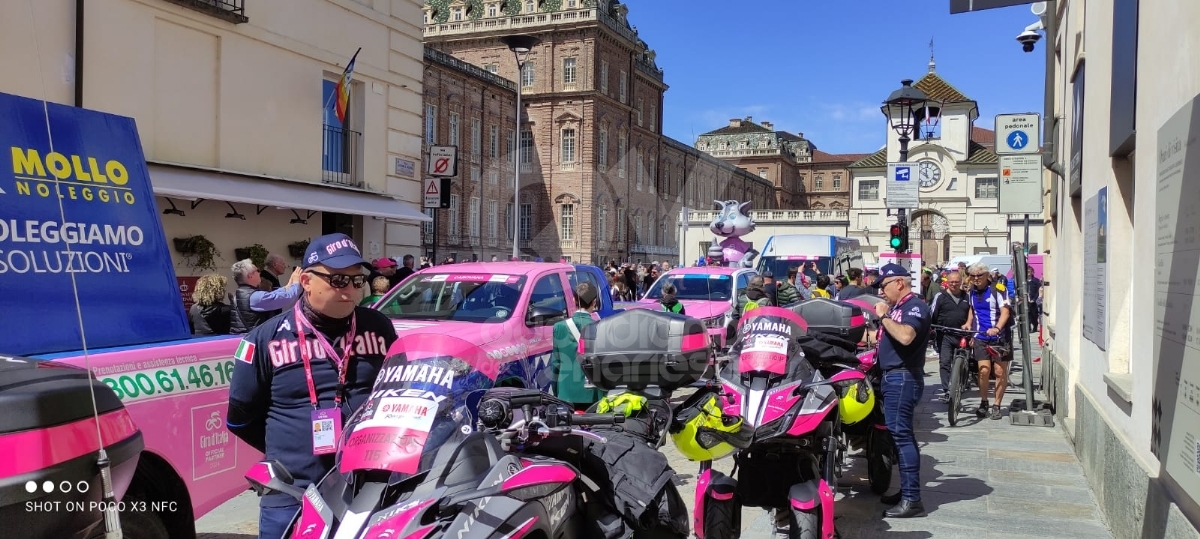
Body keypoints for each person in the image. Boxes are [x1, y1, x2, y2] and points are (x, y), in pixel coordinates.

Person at [226, 233, 398, 539]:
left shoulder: (378, 327)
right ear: (306, 281)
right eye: (338, 280)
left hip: (370, 489)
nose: (350, 291)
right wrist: (292, 451)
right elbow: (240, 418)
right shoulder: (266, 338)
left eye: (357, 282)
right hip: (293, 492)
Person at [872, 263, 930, 518]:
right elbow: (885, 338)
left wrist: (884, 316)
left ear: (899, 283)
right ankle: (907, 491)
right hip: (894, 377)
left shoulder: (914, 306)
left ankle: (912, 499)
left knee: (903, 437)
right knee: (901, 436)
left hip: (902, 378)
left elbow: (906, 336)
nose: (881, 292)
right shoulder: (899, 308)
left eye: (883, 286)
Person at [965, 262, 1013, 420]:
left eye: (979, 275)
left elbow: (1005, 312)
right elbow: (972, 310)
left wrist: (998, 328)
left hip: (999, 337)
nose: (976, 278)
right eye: (973, 276)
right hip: (981, 337)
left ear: (987, 275)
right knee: (983, 371)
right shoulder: (971, 291)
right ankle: (984, 401)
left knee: (999, 372)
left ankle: (997, 404)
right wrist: (968, 324)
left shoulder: (998, 289)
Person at [550, 282, 604, 410]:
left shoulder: (559, 327)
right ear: (594, 302)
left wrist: (556, 390)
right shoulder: (601, 327)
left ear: (574, 300)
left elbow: (556, 364)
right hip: (593, 393)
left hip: (566, 392)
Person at [928, 271, 971, 402]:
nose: (954, 284)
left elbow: (972, 313)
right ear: (947, 282)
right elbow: (932, 313)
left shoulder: (967, 297)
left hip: (962, 334)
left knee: (965, 361)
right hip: (945, 334)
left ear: (961, 282)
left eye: (957, 282)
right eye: (951, 281)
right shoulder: (940, 296)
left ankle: (962, 383)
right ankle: (947, 390)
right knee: (945, 362)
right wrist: (932, 329)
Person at [229, 259, 302, 334]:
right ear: (250, 276)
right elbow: (287, 297)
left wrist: (290, 283)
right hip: (250, 340)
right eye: (257, 270)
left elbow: (273, 294)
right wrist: (296, 282)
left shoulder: (242, 293)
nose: (260, 273)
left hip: (242, 338)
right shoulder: (254, 297)